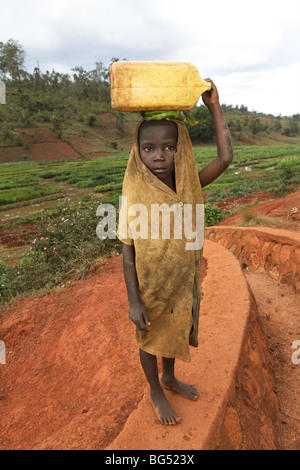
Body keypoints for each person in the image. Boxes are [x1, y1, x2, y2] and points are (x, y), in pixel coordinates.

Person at [117, 80, 233, 425]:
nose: (159, 156)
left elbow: (226, 157)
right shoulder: (134, 197)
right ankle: (155, 388)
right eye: (149, 148)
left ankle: (169, 377)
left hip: (182, 281)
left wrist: (213, 105)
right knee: (150, 335)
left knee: (176, 328)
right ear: (137, 151)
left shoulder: (190, 186)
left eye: (169, 147)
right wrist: (133, 301)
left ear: (179, 149)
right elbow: (127, 254)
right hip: (149, 286)